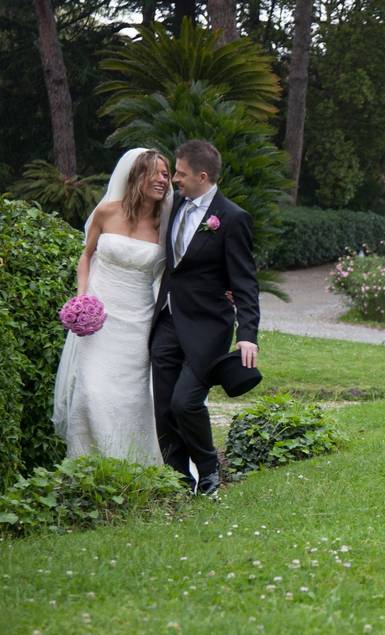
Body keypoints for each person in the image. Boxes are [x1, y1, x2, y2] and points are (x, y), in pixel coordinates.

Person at [150, 139, 260, 497]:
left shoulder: (232, 218)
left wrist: (248, 334)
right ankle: (178, 479)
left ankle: (209, 469)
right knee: (164, 407)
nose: (174, 180)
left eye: (179, 174)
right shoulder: (175, 205)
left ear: (202, 175)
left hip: (208, 325)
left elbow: (244, 280)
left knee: (186, 402)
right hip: (168, 318)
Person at [53, 148, 173, 465]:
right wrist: (82, 298)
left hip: (139, 321)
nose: (164, 179)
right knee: (92, 390)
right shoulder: (107, 212)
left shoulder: (166, 225)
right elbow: (86, 256)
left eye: (167, 173)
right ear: (137, 175)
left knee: (133, 395)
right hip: (100, 317)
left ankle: (135, 463)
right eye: (157, 173)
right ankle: (89, 463)